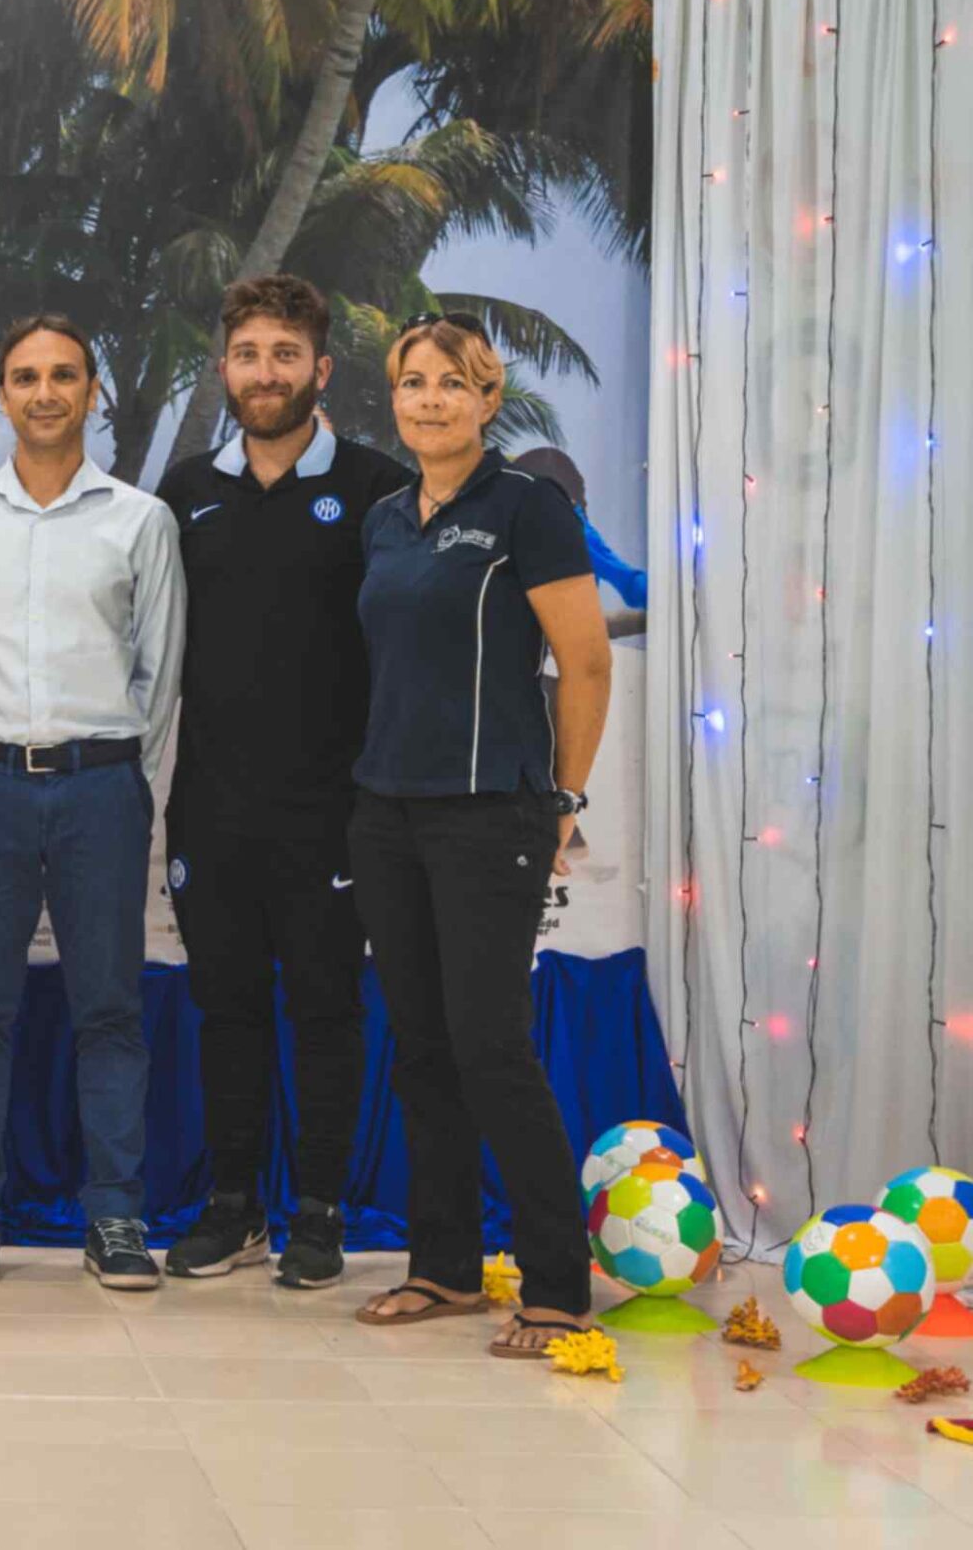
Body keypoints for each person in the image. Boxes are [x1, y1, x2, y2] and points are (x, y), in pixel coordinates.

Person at [345, 313, 612, 1356]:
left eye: (451, 383)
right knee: (419, 1051)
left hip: (490, 812)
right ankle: (445, 1268)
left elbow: (585, 662)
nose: (428, 399)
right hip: (385, 813)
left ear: (488, 398)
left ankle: (555, 1284)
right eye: (411, 382)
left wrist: (563, 800)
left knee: (492, 1047)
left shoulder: (527, 509)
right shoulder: (384, 519)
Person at [0, 314, 184, 1289]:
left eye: (63, 374)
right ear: (0, 392)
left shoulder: (137, 519)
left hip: (100, 787)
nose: (43, 391)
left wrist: (126, 782)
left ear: (92, 389)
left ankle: (114, 1216)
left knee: (108, 1006)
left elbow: (161, 672)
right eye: (24, 375)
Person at [155, 275, 411, 1289]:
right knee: (224, 1009)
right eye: (248, 353)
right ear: (224, 368)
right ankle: (231, 1207)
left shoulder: (379, 485)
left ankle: (316, 1210)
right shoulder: (183, 493)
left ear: (320, 369)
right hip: (210, 807)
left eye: (285, 354)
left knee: (325, 1011)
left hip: (332, 812)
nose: (266, 372)